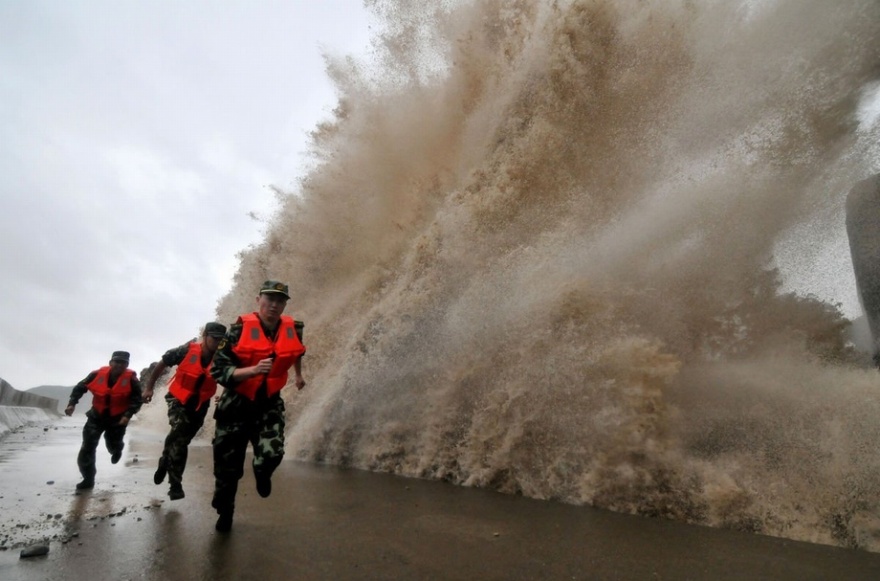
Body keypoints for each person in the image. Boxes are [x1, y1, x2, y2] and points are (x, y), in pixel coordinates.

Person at [210, 280, 306, 532]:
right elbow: (217, 370)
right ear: (258, 300)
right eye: (269, 299)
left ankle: (262, 472)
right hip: (236, 405)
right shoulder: (238, 330)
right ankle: (225, 510)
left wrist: (298, 375)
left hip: (269, 403)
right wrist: (251, 370)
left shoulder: (293, 328)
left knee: (273, 453)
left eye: (280, 300)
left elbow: (295, 353)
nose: (274, 305)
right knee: (227, 471)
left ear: (285, 304)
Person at [143, 322, 228, 500]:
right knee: (180, 435)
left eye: (221, 340)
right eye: (214, 338)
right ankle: (175, 485)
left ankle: (165, 460)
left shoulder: (222, 358)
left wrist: (225, 397)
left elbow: (229, 378)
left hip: (200, 404)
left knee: (183, 438)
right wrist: (149, 388)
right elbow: (162, 364)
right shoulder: (185, 351)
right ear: (205, 336)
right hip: (177, 399)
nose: (217, 343)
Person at [65, 351, 143, 491]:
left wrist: (128, 415)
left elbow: (137, 399)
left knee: (112, 443)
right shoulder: (96, 374)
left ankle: (117, 450)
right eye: (117, 361)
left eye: (123, 363)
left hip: (118, 419)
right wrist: (72, 404)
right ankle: (88, 479)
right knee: (87, 447)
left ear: (127, 365)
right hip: (96, 417)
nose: (119, 365)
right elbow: (80, 387)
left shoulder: (131, 379)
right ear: (110, 362)